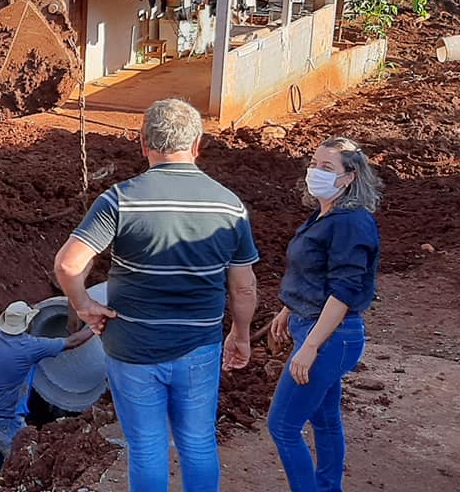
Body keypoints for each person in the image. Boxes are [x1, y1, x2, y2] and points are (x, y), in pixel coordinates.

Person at [53, 98, 259, 492]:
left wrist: (84, 305)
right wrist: (241, 334)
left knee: (147, 448)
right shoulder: (229, 207)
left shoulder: (119, 199)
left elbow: (68, 264)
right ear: (197, 144)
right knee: (198, 443)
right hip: (198, 347)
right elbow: (244, 285)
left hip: (133, 347)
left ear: (143, 143)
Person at [267, 137, 381, 492]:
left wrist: (311, 345)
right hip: (315, 326)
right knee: (325, 419)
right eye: (314, 164)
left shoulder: (351, 223)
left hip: (332, 336)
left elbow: (344, 292)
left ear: (349, 178)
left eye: (327, 168)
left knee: (283, 426)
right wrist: (289, 308)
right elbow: (314, 272)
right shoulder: (324, 214)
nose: (314, 172)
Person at [0, 300, 94, 491]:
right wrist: (95, 327)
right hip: (5, 418)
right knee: (22, 465)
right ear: (26, 324)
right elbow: (73, 341)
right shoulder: (28, 347)